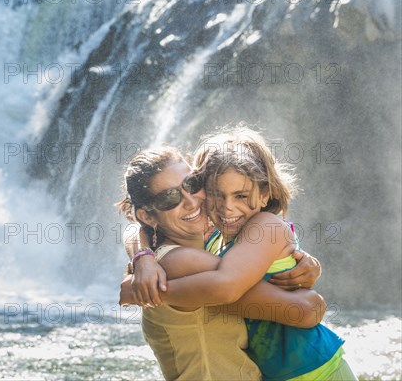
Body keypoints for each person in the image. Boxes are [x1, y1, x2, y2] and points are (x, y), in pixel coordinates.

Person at [124, 126, 356, 380]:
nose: (227, 207)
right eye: (170, 197)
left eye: (191, 184)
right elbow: (306, 309)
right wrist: (142, 261)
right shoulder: (191, 252)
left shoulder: (254, 228)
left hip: (317, 370)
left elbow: (228, 286)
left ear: (264, 194)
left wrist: (144, 280)